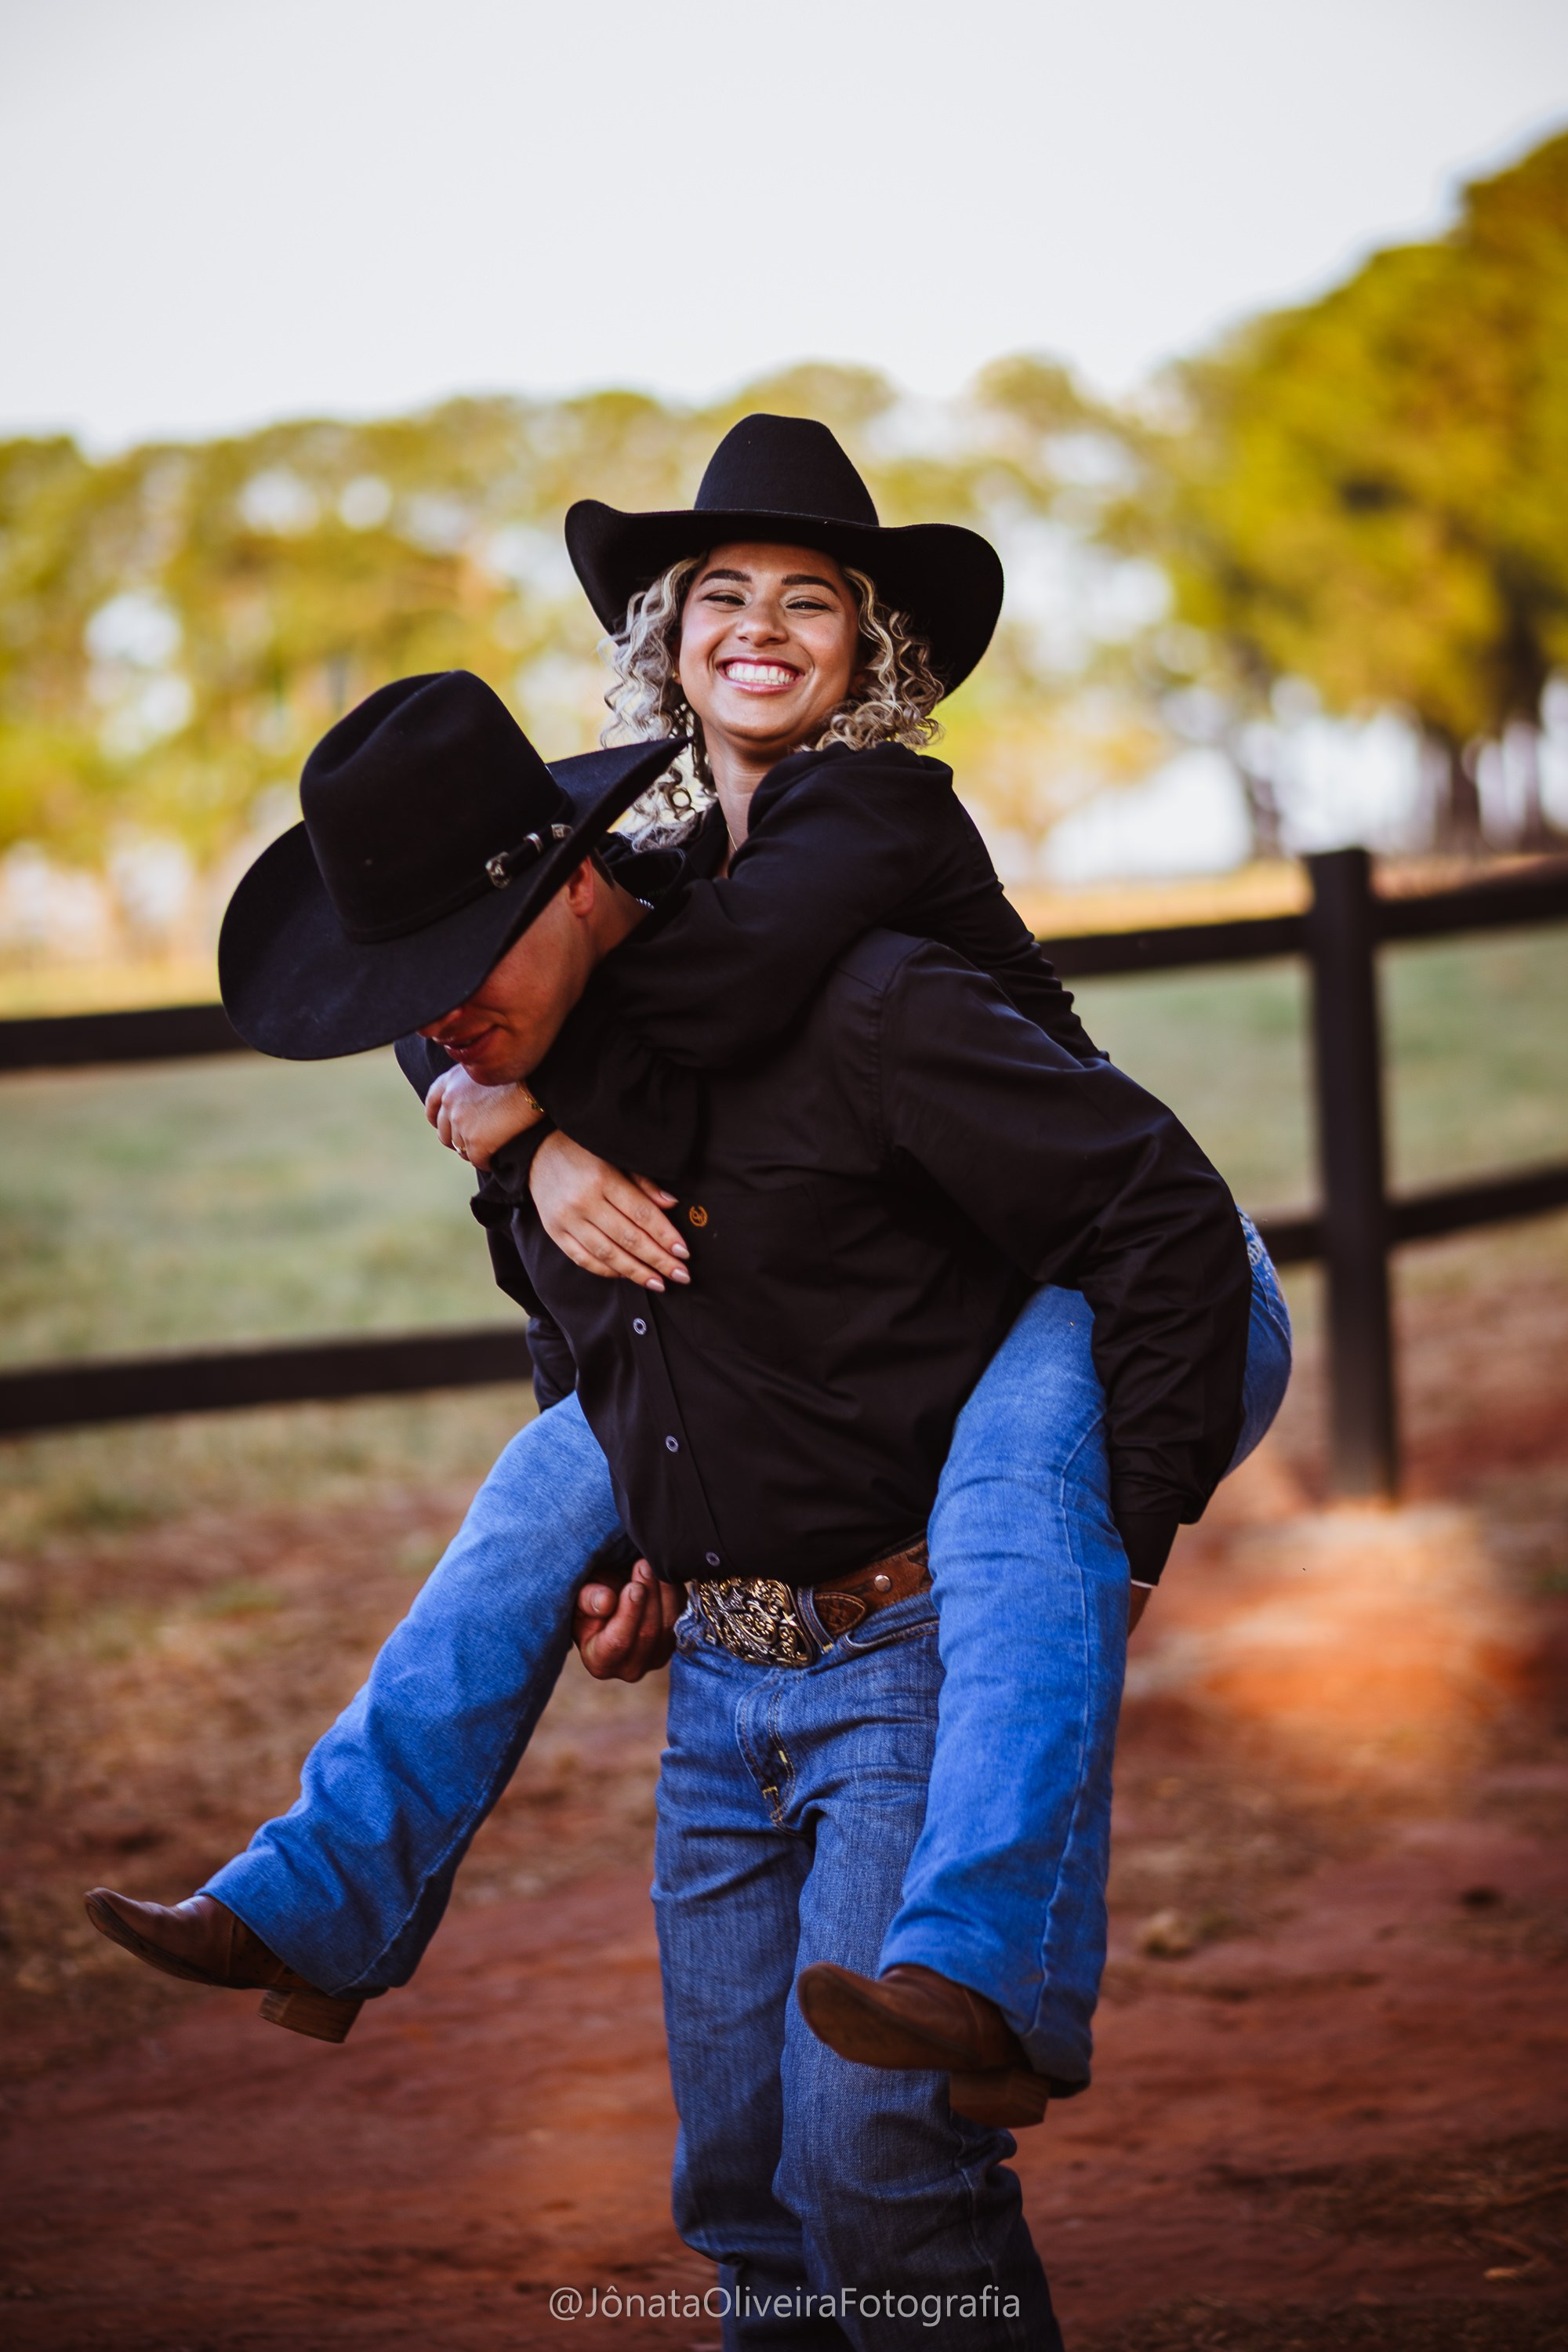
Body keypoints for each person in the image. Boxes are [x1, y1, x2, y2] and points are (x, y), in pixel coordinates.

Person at [85, 421, 1287, 2146]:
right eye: (723, 592)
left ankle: (990, 1974)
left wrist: (515, 1121)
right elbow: (459, 980)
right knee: (531, 1498)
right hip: (956, 1275)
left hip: (1111, 1267)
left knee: (1021, 1515)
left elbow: (696, 1014)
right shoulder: (651, 859)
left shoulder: (867, 813)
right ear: (663, 635)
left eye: (815, 599)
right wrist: (523, 1147)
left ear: (871, 652)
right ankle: (321, 1891)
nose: (765, 625)